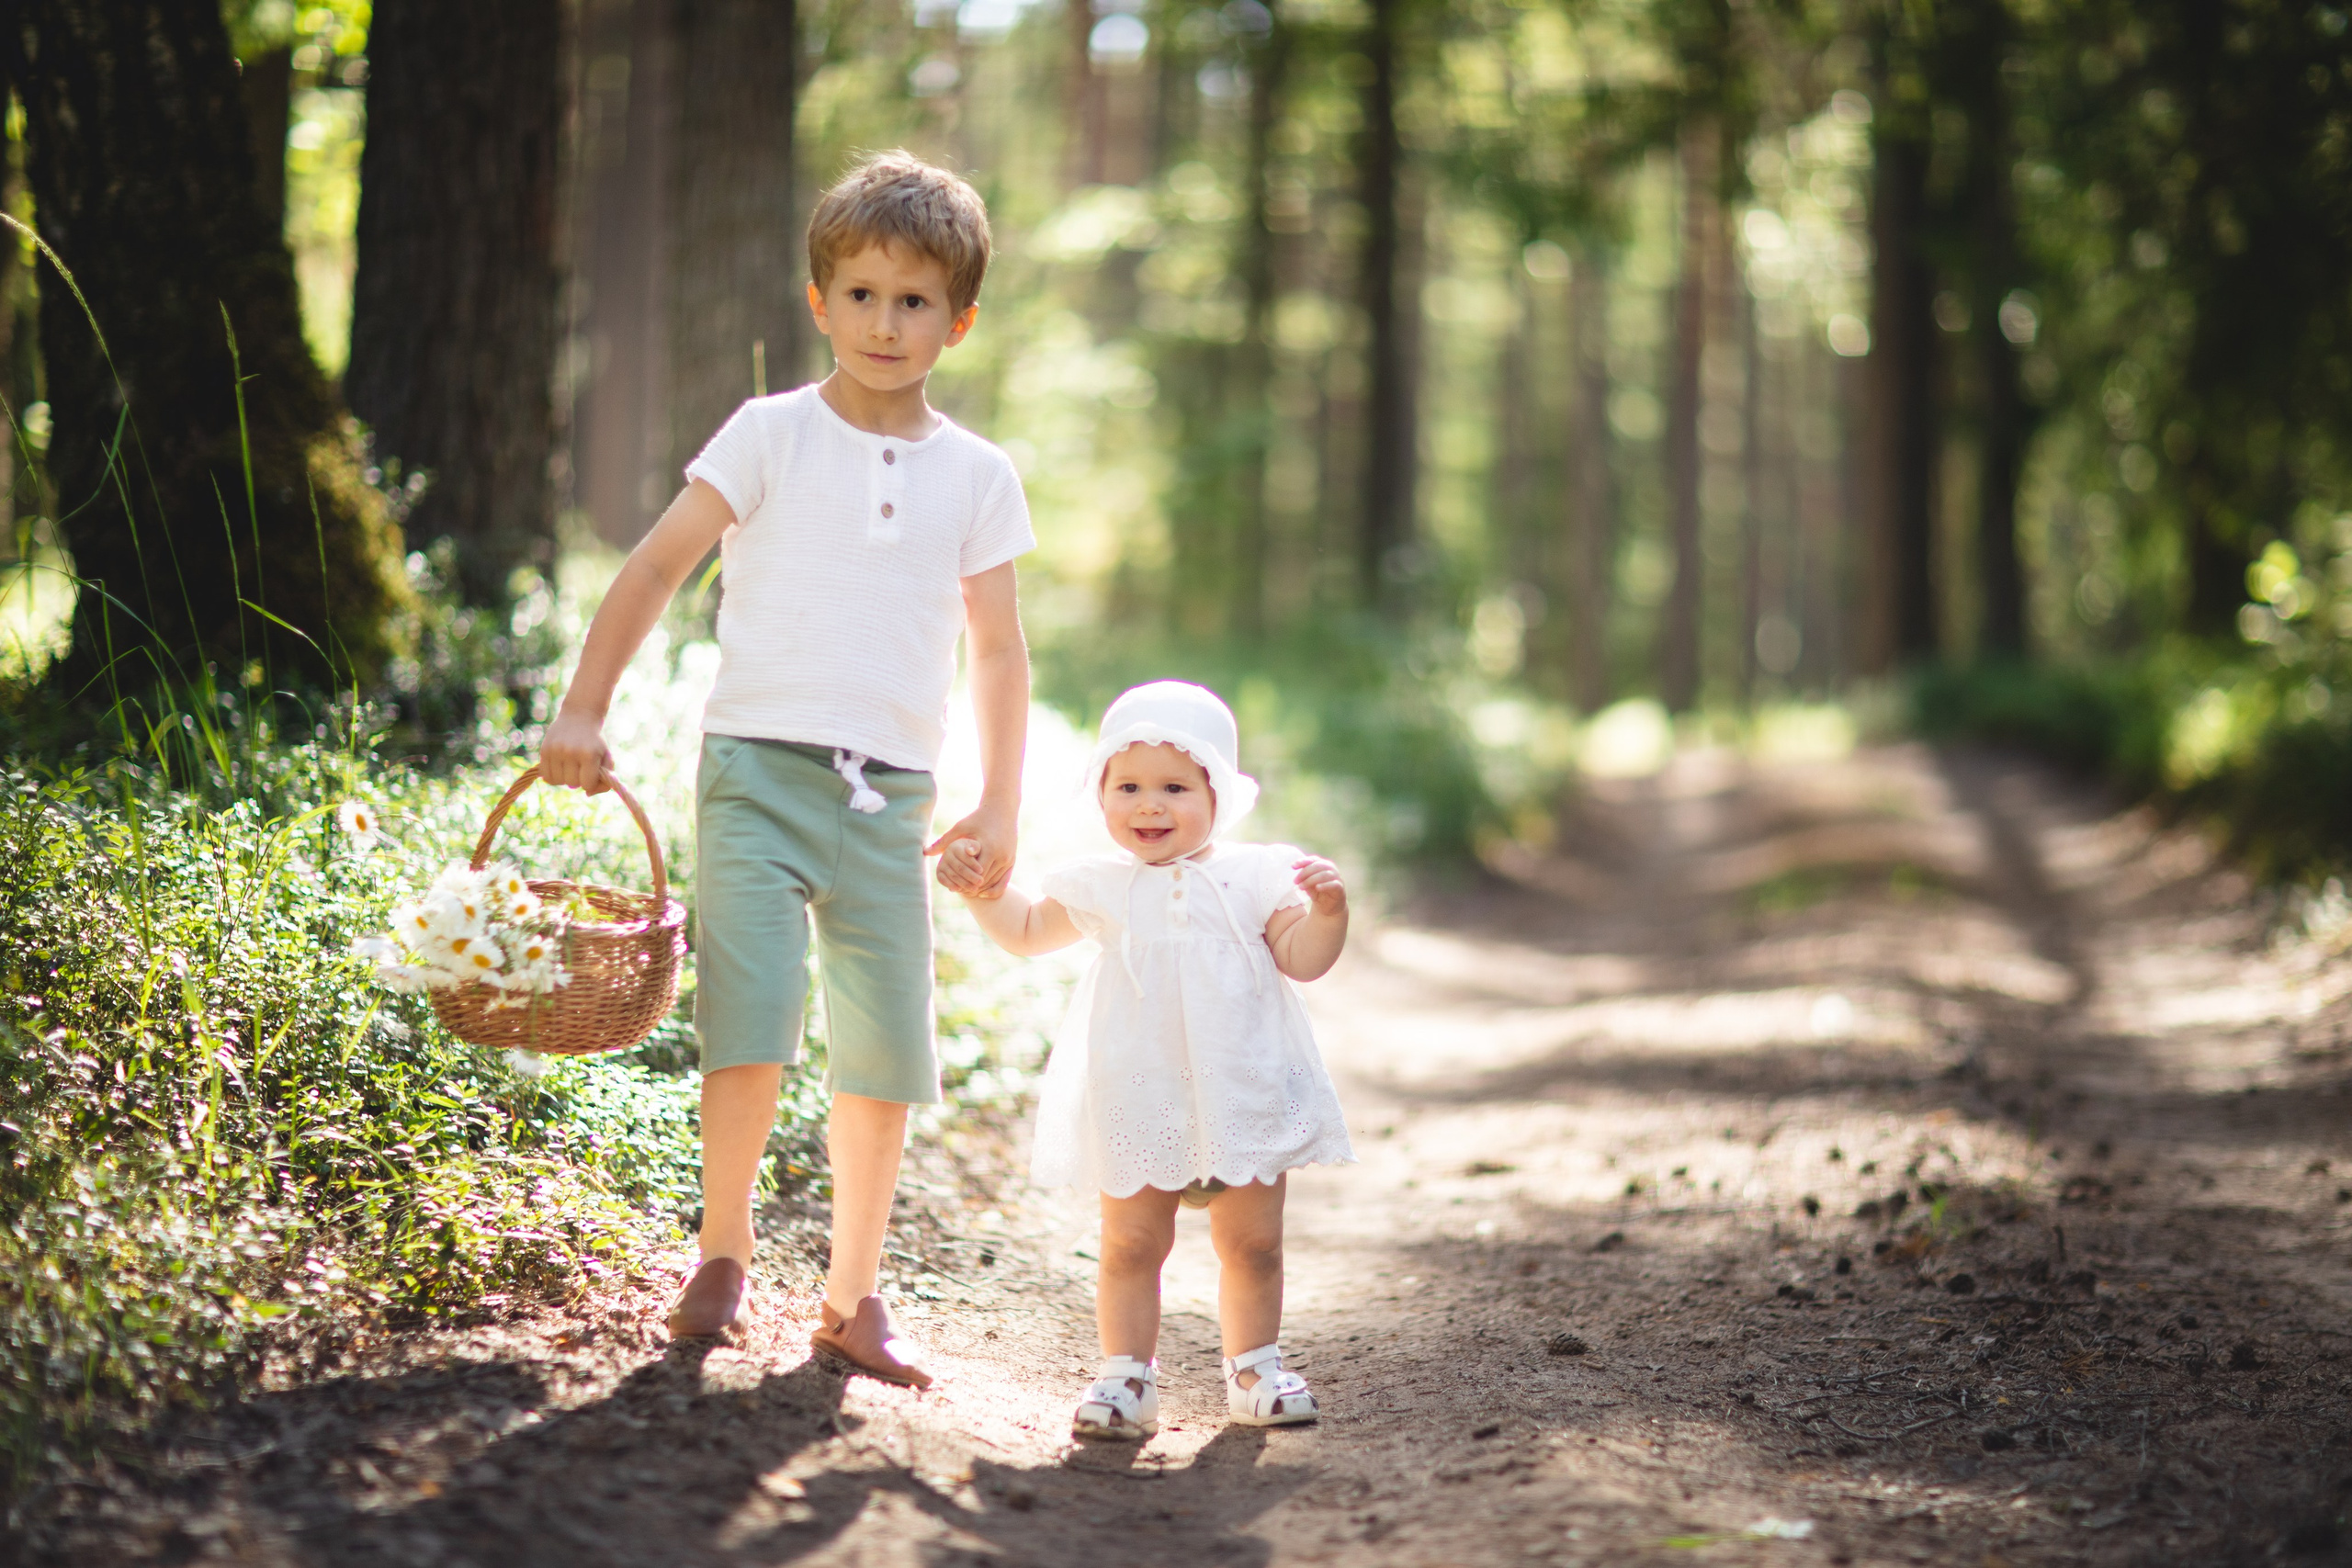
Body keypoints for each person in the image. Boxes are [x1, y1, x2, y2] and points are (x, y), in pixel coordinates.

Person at [539, 152, 1033, 1388]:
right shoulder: (768, 436)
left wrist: (1000, 801)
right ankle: (721, 1247)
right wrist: (581, 709)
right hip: (754, 771)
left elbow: (1001, 648)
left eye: (915, 301)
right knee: (748, 1009)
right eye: (861, 293)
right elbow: (654, 568)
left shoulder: (976, 475)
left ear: (959, 320)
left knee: (885, 1045)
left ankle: (856, 1294)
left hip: (895, 798)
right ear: (818, 301)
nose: (885, 321)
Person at [946, 681, 1353, 1437]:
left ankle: (1256, 1367)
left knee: (1254, 1241)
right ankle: (1126, 1377)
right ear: (1102, 796)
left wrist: (1328, 915)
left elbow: (1300, 957)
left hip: (1241, 1086)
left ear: (1218, 796)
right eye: (1127, 786)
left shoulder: (1255, 875)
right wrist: (981, 892)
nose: (1149, 805)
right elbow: (1030, 930)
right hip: (1140, 1088)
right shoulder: (1102, 883)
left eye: (1174, 787)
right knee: (1131, 1241)